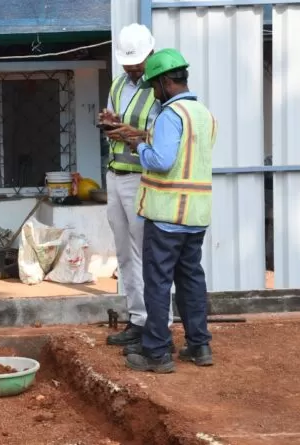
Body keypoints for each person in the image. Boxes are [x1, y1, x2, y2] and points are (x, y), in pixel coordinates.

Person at [119, 49, 217, 373]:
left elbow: (162, 161)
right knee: (190, 279)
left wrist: (141, 147)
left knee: (158, 282)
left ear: (164, 82)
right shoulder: (203, 114)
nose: (153, 94)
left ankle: (157, 353)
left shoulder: (169, 115)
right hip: (196, 216)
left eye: (154, 87)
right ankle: (199, 345)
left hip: (166, 217)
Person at [98, 23, 173, 354]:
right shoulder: (118, 84)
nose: (131, 69)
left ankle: (159, 325)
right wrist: (110, 123)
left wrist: (131, 134)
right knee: (125, 254)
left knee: (148, 254)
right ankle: (138, 318)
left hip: (141, 179)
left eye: (136, 63)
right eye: (128, 63)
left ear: (150, 54)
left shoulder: (161, 88)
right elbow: (117, 122)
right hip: (115, 175)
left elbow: (166, 138)